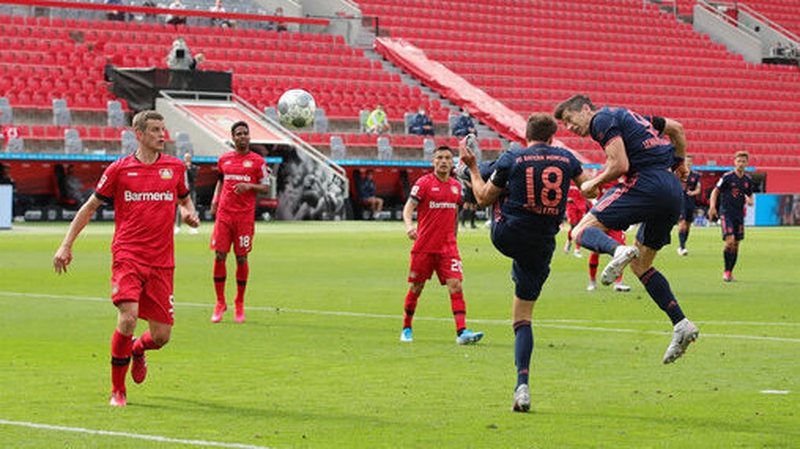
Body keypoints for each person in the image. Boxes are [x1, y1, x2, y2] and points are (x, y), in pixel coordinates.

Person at [53, 110, 200, 407]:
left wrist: (187, 212)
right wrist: (66, 245)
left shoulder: (173, 168)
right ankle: (117, 390)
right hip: (128, 256)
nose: (163, 135)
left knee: (161, 336)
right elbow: (89, 208)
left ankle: (137, 350)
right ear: (140, 134)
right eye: (156, 130)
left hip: (162, 262)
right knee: (128, 318)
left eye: (163, 129)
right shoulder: (119, 170)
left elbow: (183, 198)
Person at [553, 94, 699, 366]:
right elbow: (677, 129)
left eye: (570, 120)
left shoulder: (601, 119)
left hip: (646, 182)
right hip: (671, 190)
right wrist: (679, 162)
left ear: (585, 109)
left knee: (579, 230)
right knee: (642, 265)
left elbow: (620, 165)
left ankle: (618, 249)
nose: (570, 128)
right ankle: (681, 324)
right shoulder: (638, 118)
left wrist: (591, 183)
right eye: (565, 126)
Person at [459, 113, 590, 412]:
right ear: (553, 137)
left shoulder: (515, 156)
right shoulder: (567, 158)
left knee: (500, 183)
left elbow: (481, 199)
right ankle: (522, 385)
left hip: (508, 234)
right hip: (543, 243)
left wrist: (473, 169)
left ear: (526, 134)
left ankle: (521, 389)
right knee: (523, 320)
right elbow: (589, 188)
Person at [401, 145, 483, 346]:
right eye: (440, 158)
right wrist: (410, 226)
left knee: (456, 285)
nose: (444, 161)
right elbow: (409, 207)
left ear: (452, 162)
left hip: (448, 248)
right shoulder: (424, 183)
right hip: (424, 246)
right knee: (417, 287)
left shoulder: (457, 187)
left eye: (447, 158)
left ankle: (461, 332)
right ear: (433, 161)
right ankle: (406, 327)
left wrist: (454, 239)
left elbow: (454, 215)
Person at [209, 121, 270, 323]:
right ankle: (220, 302)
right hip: (224, 216)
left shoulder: (257, 162)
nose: (243, 136)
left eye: (246, 133)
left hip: (244, 218)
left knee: (241, 258)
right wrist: (215, 201)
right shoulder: (224, 160)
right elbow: (220, 181)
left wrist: (249, 186)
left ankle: (239, 302)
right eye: (239, 134)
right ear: (233, 137)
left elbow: (266, 187)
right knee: (219, 256)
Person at [707, 151, 754, 282]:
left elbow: (749, 194)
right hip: (726, 213)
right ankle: (726, 272)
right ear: (734, 162)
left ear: (747, 163)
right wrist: (712, 207)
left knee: (736, 244)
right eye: (738, 161)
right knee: (730, 241)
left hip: (738, 215)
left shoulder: (748, 180)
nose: (741, 164)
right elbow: (715, 191)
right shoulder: (727, 177)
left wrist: (750, 199)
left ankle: (729, 271)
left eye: (743, 161)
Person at [677, 154, 702, 256]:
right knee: (682, 224)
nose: (688, 163)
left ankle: (682, 244)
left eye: (690, 161)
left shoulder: (696, 175)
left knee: (687, 225)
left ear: (692, 162)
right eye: (686, 161)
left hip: (690, 202)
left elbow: (698, 189)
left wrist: (693, 193)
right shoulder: (678, 174)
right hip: (680, 201)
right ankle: (682, 247)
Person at [174, 153, 199, 234]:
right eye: (186, 158)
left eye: (188, 158)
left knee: (192, 207)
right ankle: (178, 226)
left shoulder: (194, 167)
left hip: (191, 190)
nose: (187, 159)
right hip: (182, 191)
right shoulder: (181, 167)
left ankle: (193, 227)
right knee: (179, 209)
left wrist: (188, 168)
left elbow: (194, 176)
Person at [563, 184, 588, 257]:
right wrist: (567, 199)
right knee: (573, 226)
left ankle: (577, 250)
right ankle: (569, 241)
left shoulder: (582, 180)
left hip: (581, 206)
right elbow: (562, 192)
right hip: (571, 206)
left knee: (580, 228)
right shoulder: (568, 180)